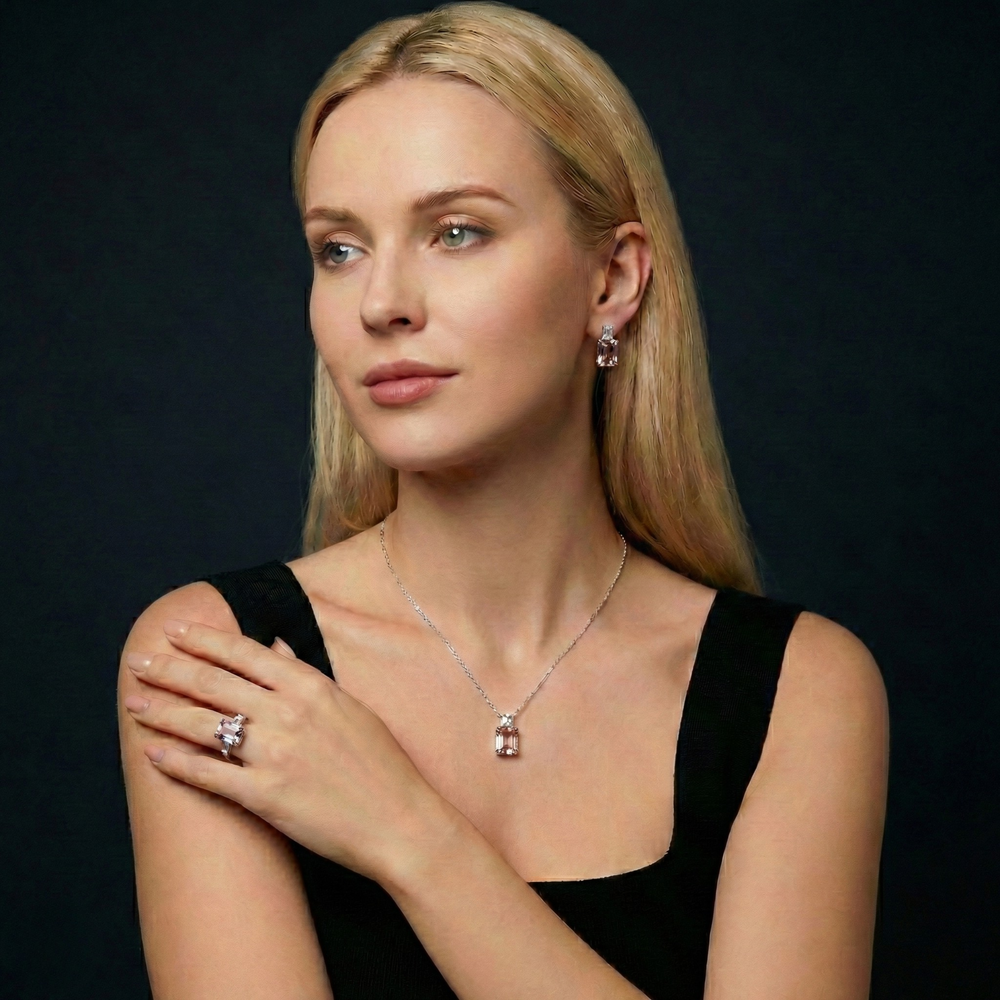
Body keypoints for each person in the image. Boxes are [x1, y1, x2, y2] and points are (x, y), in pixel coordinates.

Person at [117, 4, 889, 998]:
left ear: (612, 280)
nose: (381, 303)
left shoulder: (801, 690)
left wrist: (409, 834)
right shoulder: (217, 663)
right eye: (339, 248)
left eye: (456, 232)